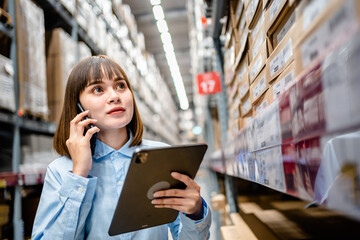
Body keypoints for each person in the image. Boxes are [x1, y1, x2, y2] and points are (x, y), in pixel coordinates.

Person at [32, 55, 211, 239]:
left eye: (120, 86)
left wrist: (195, 213)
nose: (115, 96)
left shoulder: (161, 156)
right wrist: (79, 175)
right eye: (98, 89)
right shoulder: (61, 171)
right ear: (78, 106)